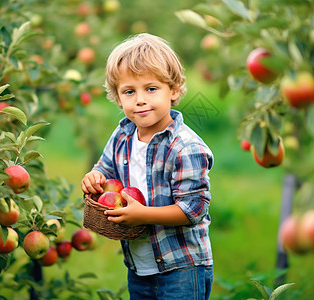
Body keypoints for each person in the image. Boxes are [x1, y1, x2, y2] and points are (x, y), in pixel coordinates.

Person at [81, 33, 214, 299]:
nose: (140, 99)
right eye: (129, 91)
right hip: (139, 267)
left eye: (151, 89)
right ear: (118, 98)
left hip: (182, 268)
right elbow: (105, 170)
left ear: (173, 90)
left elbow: (194, 209)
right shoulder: (122, 135)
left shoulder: (185, 147)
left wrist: (144, 215)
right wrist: (93, 177)